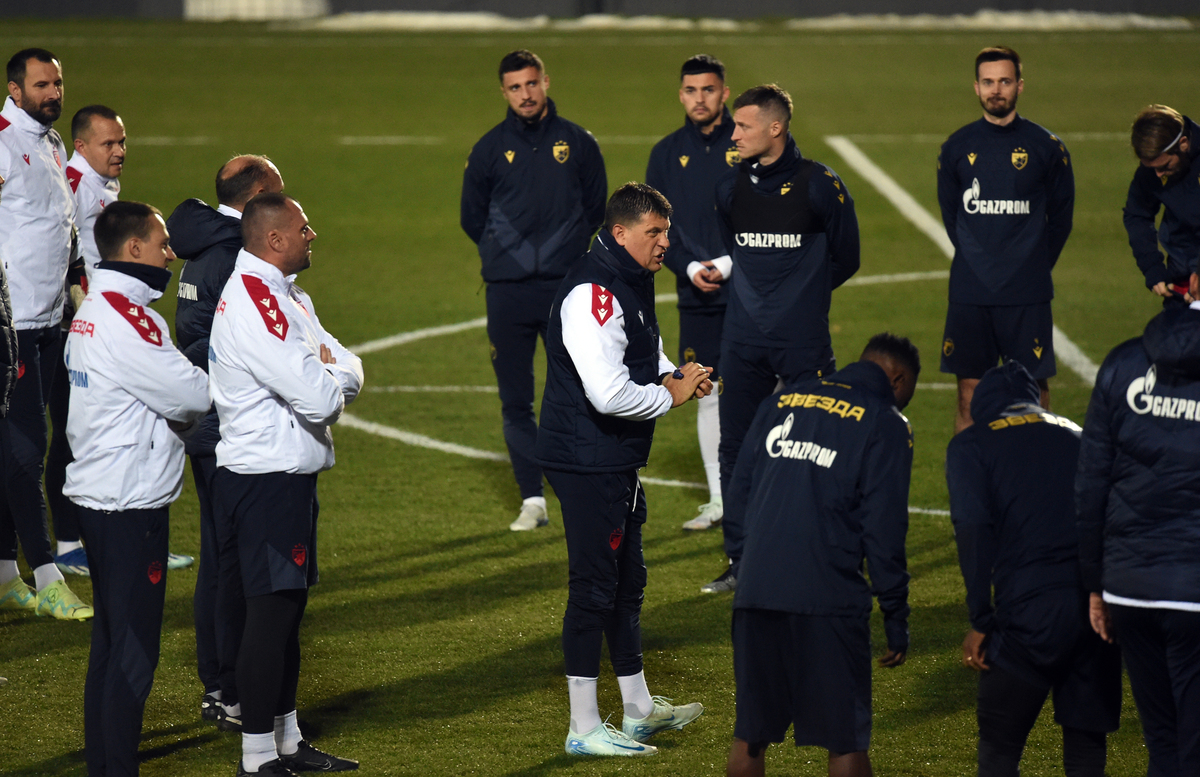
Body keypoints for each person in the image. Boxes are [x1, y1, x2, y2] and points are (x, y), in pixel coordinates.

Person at [536, 183, 710, 757]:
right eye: (654, 233)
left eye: (667, 230)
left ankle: (636, 710)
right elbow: (609, 394)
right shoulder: (594, 294)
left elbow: (642, 351)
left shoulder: (626, 278)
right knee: (593, 591)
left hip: (612, 457)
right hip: (588, 460)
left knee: (626, 584)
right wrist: (673, 398)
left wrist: (673, 372)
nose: (666, 242)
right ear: (620, 233)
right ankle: (583, 728)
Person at [209, 192, 361, 775]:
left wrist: (334, 370)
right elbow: (324, 396)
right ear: (274, 239)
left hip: (284, 479)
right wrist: (334, 374)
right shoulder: (256, 304)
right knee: (269, 618)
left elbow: (347, 363)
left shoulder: (285, 293)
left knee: (288, 615)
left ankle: (289, 743)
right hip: (265, 483)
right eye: (303, 227)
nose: (312, 234)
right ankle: (255, 757)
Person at [723, 333, 918, 777]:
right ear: (898, 379)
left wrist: (743, 562)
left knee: (750, 734)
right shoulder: (884, 421)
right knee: (843, 738)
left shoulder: (782, 401)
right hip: (828, 599)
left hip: (756, 592)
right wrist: (895, 614)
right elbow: (885, 529)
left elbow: (738, 494)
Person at [64, 200, 210, 777]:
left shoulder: (95, 311)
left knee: (109, 645)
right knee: (131, 653)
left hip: (101, 495)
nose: (170, 253)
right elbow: (194, 396)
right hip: (128, 502)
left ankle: (106, 765)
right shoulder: (129, 320)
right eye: (162, 243)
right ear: (134, 250)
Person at [702, 83, 861, 593]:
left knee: (814, 445)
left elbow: (848, 256)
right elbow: (738, 249)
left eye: (744, 125)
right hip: (743, 340)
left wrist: (802, 296)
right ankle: (741, 559)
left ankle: (810, 555)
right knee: (735, 448)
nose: (734, 133)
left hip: (803, 342)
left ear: (776, 128)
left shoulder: (820, 185)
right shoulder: (730, 189)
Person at [947, 360, 1121, 777]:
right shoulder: (1083, 436)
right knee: (1085, 747)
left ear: (984, 407)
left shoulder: (972, 445)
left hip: (1027, 617)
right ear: (1035, 400)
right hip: (1095, 612)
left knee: (1000, 750)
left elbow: (973, 534)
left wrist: (980, 619)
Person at [461, 49, 607, 532]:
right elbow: (471, 218)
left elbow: (596, 208)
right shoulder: (487, 150)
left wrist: (563, 255)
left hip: (565, 292)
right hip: (507, 293)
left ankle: (584, 495)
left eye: (531, 83)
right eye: (515, 87)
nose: (525, 94)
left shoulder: (579, 143)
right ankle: (533, 500)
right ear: (503, 92)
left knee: (578, 395)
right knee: (516, 401)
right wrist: (512, 257)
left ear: (546, 81)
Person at [168, 154, 285, 729]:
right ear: (258, 191)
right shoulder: (234, 256)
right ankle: (229, 687)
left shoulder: (203, 247)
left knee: (219, 556)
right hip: (227, 425)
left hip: (204, 421)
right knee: (234, 563)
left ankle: (219, 681)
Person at [1077, 271, 1200, 775]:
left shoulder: (1125, 361)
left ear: (1191, 283)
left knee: (1164, 744)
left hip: (1130, 588)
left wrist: (1096, 587)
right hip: (1193, 592)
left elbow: (1089, 487)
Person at [937, 46, 1074, 433]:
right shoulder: (956, 147)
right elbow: (953, 219)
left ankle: (1035, 486)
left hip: (1026, 292)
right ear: (976, 88)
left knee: (1033, 394)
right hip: (971, 291)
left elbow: (1061, 220)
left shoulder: (1048, 147)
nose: (996, 89)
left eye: (1005, 81)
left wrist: (1031, 266)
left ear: (1020, 86)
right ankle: (968, 489)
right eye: (988, 82)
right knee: (968, 393)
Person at [0, 47, 92, 619]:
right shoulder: (5, 140)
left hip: (48, 318)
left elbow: (60, 225)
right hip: (13, 327)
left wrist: (77, 284)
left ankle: (8, 573)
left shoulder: (51, 142)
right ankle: (49, 577)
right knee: (27, 451)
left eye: (57, 82)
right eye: (41, 84)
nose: (53, 92)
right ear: (15, 90)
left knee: (15, 451)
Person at [646, 53, 738, 531]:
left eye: (708, 89)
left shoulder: (746, 141)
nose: (699, 98)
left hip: (748, 290)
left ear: (724, 92)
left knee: (766, 390)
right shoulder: (665, 153)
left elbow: (764, 217)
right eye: (690, 90)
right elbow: (657, 226)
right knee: (707, 393)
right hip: (696, 294)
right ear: (680, 94)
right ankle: (720, 500)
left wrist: (724, 263)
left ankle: (767, 490)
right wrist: (686, 266)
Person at [47, 104, 126, 578]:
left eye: (122, 142)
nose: (119, 152)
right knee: (71, 435)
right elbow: (62, 257)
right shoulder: (73, 186)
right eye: (108, 144)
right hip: (72, 329)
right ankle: (67, 541)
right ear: (80, 146)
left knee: (107, 429)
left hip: (101, 326)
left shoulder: (102, 184)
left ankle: (116, 534)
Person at [1123, 105, 1200, 305]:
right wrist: (1152, 268)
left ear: (1183, 143)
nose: (1158, 175)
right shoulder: (1153, 170)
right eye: (1152, 168)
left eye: (1164, 166)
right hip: (1182, 286)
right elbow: (1137, 214)